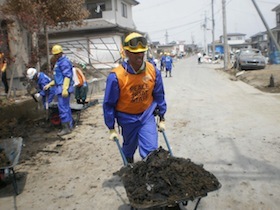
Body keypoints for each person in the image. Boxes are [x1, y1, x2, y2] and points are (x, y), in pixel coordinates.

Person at [103, 32, 167, 163]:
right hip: (127, 118)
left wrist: (162, 116)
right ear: (126, 52)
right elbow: (109, 104)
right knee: (129, 147)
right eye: (134, 53)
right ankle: (129, 167)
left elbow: (159, 95)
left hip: (146, 115)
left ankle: (151, 175)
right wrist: (111, 127)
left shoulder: (153, 70)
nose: (139, 55)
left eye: (142, 52)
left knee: (151, 150)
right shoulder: (116, 77)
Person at [44, 44, 74, 136]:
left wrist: (65, 88)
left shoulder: (64, 62)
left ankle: (66, 128)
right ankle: (69, 126)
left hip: (62, 88)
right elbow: (58, 77)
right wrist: (50, 84)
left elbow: (67, 76)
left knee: (63, 108)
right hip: (59, 86)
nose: (55, 56)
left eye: (56, 54)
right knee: (65, 107)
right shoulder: (59, 62)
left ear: (60, 53)